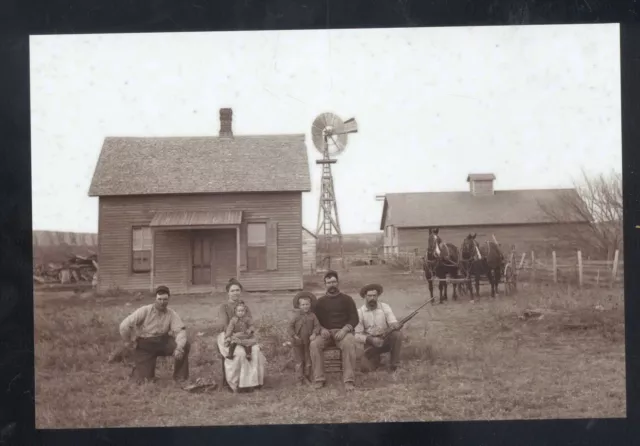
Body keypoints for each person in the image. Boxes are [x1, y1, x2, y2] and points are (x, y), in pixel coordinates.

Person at [119, 285, 190, 383]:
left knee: (185, 345)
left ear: (168, 299)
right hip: (145, 344)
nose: (162, 303)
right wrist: (128, 341)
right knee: (144, 380)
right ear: (155, 299)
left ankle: (180, 377)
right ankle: (141, 370)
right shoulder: (144, 310)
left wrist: (179, 348)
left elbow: (180, 331)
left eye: (165, 300)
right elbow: (124, 325)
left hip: (163, 342)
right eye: (159, 299)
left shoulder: (171, 314)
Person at [309, 270, 359, 391]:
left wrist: (345, 329)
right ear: (325, 284)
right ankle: (319, 379)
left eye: (334, 282)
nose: (332, 284)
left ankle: (349, 380)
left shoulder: (347, 299)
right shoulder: (319, 302)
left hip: (342, 332)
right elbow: (315, 320)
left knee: (349, 342)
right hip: (325, 333)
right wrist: (321, 329)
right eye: (328, 282)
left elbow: (354, 318)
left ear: (338, 282)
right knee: (314, 344)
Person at [216, 278, 266, 393]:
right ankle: (235, 384)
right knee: (239, 353)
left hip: (245, 336)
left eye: (237, 290)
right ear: (228, 292)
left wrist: (249, 333)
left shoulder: (245, 307)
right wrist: (234, 336)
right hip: (228, 336)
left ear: (240, 292)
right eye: (232, 291)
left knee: (255, 350)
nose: (235, 293)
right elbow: (224, 326)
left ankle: (254, 383)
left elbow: (250, 323)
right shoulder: (224, 307)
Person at [354, 283, 403, 372]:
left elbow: (392, 322)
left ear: (378, 296)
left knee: (397, 334)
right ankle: (376, 360)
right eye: (369, 296)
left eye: (374, 295)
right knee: (367, 369)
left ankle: (395, 365)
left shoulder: (385, 307)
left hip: (385, 340)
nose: (372, 298)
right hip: (370, 344)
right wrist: (371, 340)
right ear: (365, 296)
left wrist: (396, 325)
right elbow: (357, 335)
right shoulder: (360, 312)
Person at [287, 291, 321, 384]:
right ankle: (299, 378)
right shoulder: (296, 316)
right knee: (299, 361)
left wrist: (314, 334)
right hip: (298, 341)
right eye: (303, 304)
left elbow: (317, 326)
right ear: (299, 306)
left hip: (308, 342)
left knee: (308, 360)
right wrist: (294, 335)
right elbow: (290, 327)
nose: (305, 306)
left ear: (310, 305)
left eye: (307, 304)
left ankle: (307, 376)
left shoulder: (313, 316)